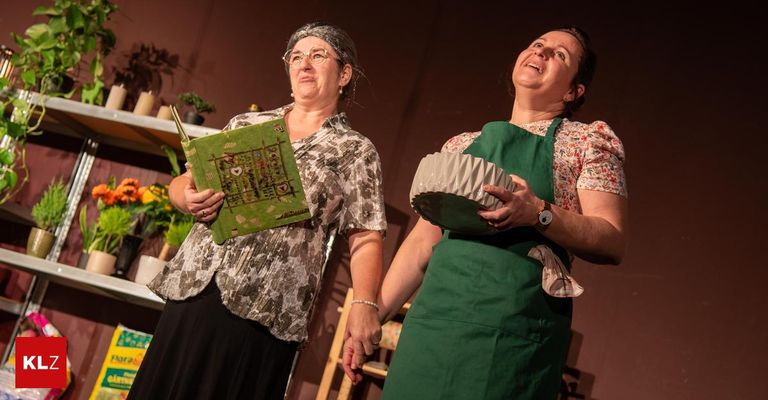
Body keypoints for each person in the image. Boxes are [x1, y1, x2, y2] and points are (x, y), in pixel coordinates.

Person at [343, 26, 628, 399]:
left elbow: (611, 239)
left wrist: (538, 213)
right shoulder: (461, 146)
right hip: (433, 328)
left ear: (575, 91)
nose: (541, 52)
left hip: (511, 337)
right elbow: (421, 245)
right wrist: (372, 316)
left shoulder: (586, 142)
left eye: (559, 54)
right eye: (537, 44)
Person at [128, 22, 386, 400]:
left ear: (344, 73)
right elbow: (184, 184)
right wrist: (187, 198)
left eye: (318, 56)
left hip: (267, 309)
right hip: (199, 289)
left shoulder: (354, 151)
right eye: (296, 57)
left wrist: (364, 305)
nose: (304, 65)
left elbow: (366, 234)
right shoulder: (247, 124)